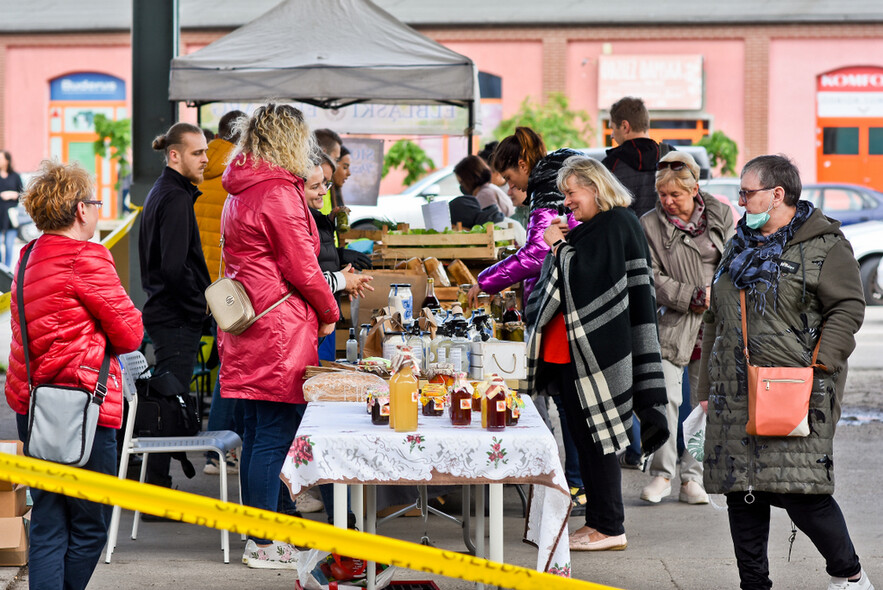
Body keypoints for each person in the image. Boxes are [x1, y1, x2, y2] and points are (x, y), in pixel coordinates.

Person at [697, 155, 874, 590]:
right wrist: (705, 386)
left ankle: (849, 576)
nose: (740, 202)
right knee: (743, 493)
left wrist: (821, 364)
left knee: (802, 491)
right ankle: (753, 584)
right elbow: (715, 318)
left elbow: (848, 307)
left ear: (778, 194)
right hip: (734, 391)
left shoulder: (824, 245)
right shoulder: (740, 242)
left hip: (795, 388)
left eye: (746, 192)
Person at [5, 160, 143, 590]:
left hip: (35, 404)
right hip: (85, 406)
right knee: (89, 526)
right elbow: (131, 334)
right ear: (82, 210)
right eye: (97, 202)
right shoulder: (87, 257)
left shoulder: (28, 256)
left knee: (48, 522)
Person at [218, 103, 340, 569]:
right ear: (290, 140)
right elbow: (304, 268)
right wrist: (329, 313)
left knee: (258, 432)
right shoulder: (278, 192)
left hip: (251, 324)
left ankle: (262, 536)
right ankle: (263, 543)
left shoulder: (242, 188)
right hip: (279, 328)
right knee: (272, 434)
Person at [527, 155, 668, 552]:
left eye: (571, 193)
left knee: (598, 441)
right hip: (573, 354)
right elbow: (580, 270)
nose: (567, 201)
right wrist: (564, 243)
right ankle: (598, 522)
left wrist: (558, 246)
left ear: (594, 186)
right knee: (586, 440)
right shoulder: (597, 226)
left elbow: (587, 281)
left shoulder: (617, 222)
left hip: (596, 356)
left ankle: (609, 526)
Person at [469, 126, 587, 513]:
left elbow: (537, 254)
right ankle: (572, 483)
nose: (508, 185)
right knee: (566, 402)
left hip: (561, 306)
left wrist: (485, 281)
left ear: (523, 164)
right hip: (564, 301)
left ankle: (573, 485)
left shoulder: (547, 192)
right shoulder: (552, 184)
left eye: (508, 176)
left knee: (568, 402)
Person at [638, 151, 734, 506]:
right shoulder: (649, 224)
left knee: (704, 404)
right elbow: (651, 276)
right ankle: (662, 474)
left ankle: (692, 477)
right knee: (666, 399)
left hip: (717, 323)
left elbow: (738, 258)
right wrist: (693, 295)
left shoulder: (721, 213)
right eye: (662, 195)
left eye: (675, 194)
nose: (667, 202)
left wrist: (720, 294)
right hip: (673, 320)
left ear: (694, 188)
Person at [139, 122, 211, 489]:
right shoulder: (176, 196)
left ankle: (155, 483)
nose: (205, 159)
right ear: (174, 155)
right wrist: (200, 306)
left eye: (205, 152)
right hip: (175, 317)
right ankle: (155, 489)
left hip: (168, 314)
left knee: (168, 399)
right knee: (170, 404)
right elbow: (173, 267)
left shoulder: (167, 191)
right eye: (197, 153)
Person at [195, 109, 246, 476]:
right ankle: (218, 451)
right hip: (226, 287)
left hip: (198, 287)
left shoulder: (198, 172)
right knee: (232, 370)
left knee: (226, 368)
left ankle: (216, 450)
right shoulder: (235, 176)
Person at [602, 96, 675, 219]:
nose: (612, 136)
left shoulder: (610, 165)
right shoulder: (673, 157)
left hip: (628, 238)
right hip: (669, 237)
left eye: (612, 128)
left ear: (625, 126)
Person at [0, 149, 24, 268]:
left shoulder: (15, 176)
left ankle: (7, 268)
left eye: (1, 158)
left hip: (11, 215)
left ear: (7, 161)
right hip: (0, 214)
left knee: (9, 245)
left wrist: (13, 194)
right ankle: (1, 270)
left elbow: (23, 193)